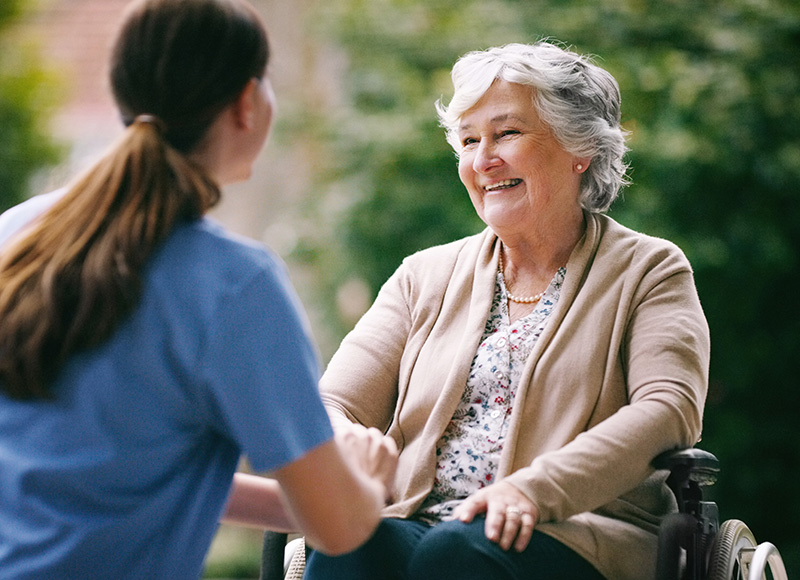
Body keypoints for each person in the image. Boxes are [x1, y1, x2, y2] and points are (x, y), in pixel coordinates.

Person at [0, 0, 396, 578]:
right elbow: (340, 528)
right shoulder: (236, 286)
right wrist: (368, 485)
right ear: (246, 103)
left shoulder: (18, 231)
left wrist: (307, 499)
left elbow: (111, 471)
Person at [304, 41, 710, 580]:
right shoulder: (422, 276)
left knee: (457, 554)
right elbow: (335, 402)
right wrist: (346, 439)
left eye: (507, 134)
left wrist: (534, 490)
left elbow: (668, 409)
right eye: (469, 141)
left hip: (575, 531)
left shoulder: (649, 270)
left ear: (579, 148)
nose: (482, 160)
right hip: (419, 521)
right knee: (349, 545)